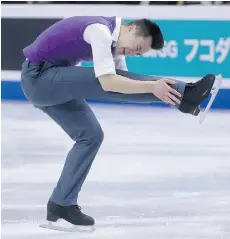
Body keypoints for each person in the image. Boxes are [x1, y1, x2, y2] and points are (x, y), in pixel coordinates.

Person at [20, 16, 215, 229]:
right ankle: (185, 93)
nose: (133, 53)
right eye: (136, 47)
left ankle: (61, 204)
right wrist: (155, 88)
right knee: (109, 81)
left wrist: (157, 91)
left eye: (138, 53)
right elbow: (108, 82)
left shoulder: (114, 44)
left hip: (50, 82)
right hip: (39, 78)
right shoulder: (99, 31)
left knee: (91, 136)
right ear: (131, 28)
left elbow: (124, 83)